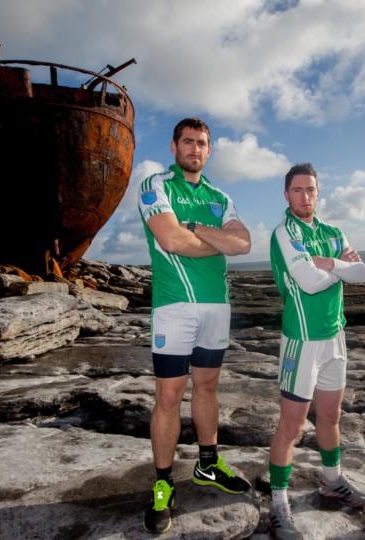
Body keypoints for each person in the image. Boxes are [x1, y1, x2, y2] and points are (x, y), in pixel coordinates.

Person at [137, 117, 253, 534]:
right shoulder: (155, 186)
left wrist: (195, 229)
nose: (195, 149)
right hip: (174, 308)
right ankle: (164, 483)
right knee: (169, 396)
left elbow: (243, 243)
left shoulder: (221, 197)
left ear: (209, 150)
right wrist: (213, 241)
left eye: (202, 143)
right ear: (174, 146)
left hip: (216, 309)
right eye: (188, 142)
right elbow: (170, 240)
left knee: (207, 386)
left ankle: (207, 464)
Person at [266, 163, 365, 539]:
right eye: (297, 190)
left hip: (334, 338)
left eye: (310, 189)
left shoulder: (333, 231)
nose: (305, 196)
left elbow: (362, 274)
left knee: (331, 416)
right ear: (286, 195)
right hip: (301, 340)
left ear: (318, 192)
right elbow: (309, 283)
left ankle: (333, 481)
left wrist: (328, 263)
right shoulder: (284, 232)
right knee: (292, 425)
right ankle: (278, 502)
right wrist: (339, 267)